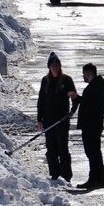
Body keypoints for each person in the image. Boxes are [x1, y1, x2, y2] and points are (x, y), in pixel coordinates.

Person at [37, 52, 78, 181]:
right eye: (52, 65)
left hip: (62, 119)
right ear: (49, 67)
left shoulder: (66, 80)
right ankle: (54, 174)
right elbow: (41, 101)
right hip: (48, 119)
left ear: (59, 66)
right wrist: (39, 119)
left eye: (56, 65)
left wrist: (72, 110)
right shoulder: (45, 81)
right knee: (51, 148)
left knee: (62, 148)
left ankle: (66, 175)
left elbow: (75, 97)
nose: (54, 67)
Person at [76, 62, 104, 190]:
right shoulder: (96, 87)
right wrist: (77, 98)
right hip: (94, 125)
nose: (83, 76)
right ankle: (99, 178)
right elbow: (87, 102)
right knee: (94, 152)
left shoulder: (94, 88)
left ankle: (95, 179)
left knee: (92, 153)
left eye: (84, 74)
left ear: (88, 74)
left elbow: (90, 107)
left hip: (91, 126)